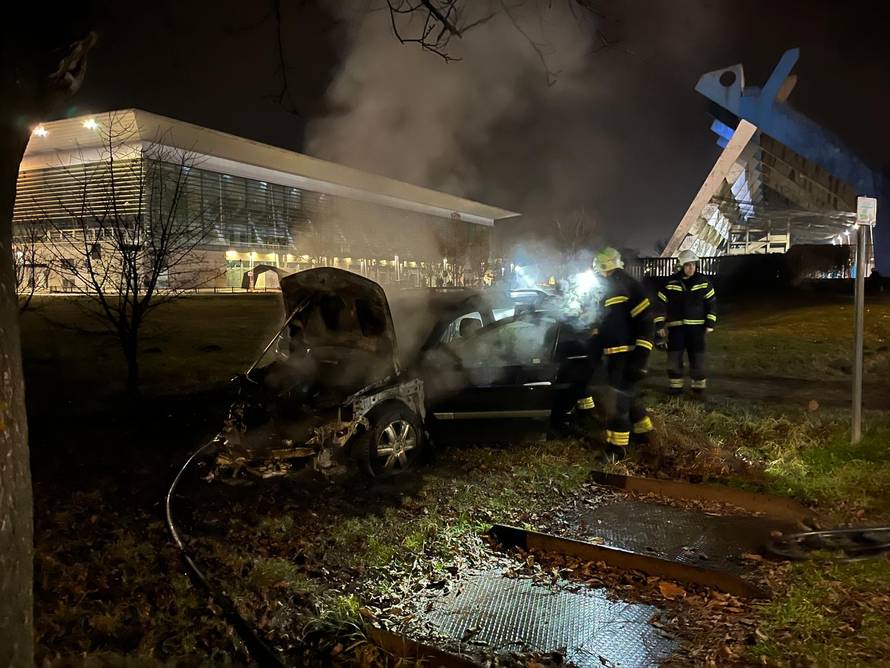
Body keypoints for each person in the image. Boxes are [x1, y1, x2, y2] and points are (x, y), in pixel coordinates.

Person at [577, 247, 655, 460]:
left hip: (628, 355)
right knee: (629, 396)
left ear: (604, 266)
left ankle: (616, 449)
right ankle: (645, 434)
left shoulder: (629, 286)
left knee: (617, 402)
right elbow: (604, 327)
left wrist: (641, 358)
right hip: (614, 356)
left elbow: (647, 322)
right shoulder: (608, 289)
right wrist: (594, 351)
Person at [655, 250, 717, 395]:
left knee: (697, 357)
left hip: (697, 328)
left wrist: (710, 323)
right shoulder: (670, 283)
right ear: (680, 266)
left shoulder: (703, 282)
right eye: (687, 265)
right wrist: (659, 324)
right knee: (674, 357)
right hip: (676, 328)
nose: (691, 268)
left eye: (693, 264)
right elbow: (659, 304)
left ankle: (698, 387)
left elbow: (712, 303)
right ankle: (675, 387)